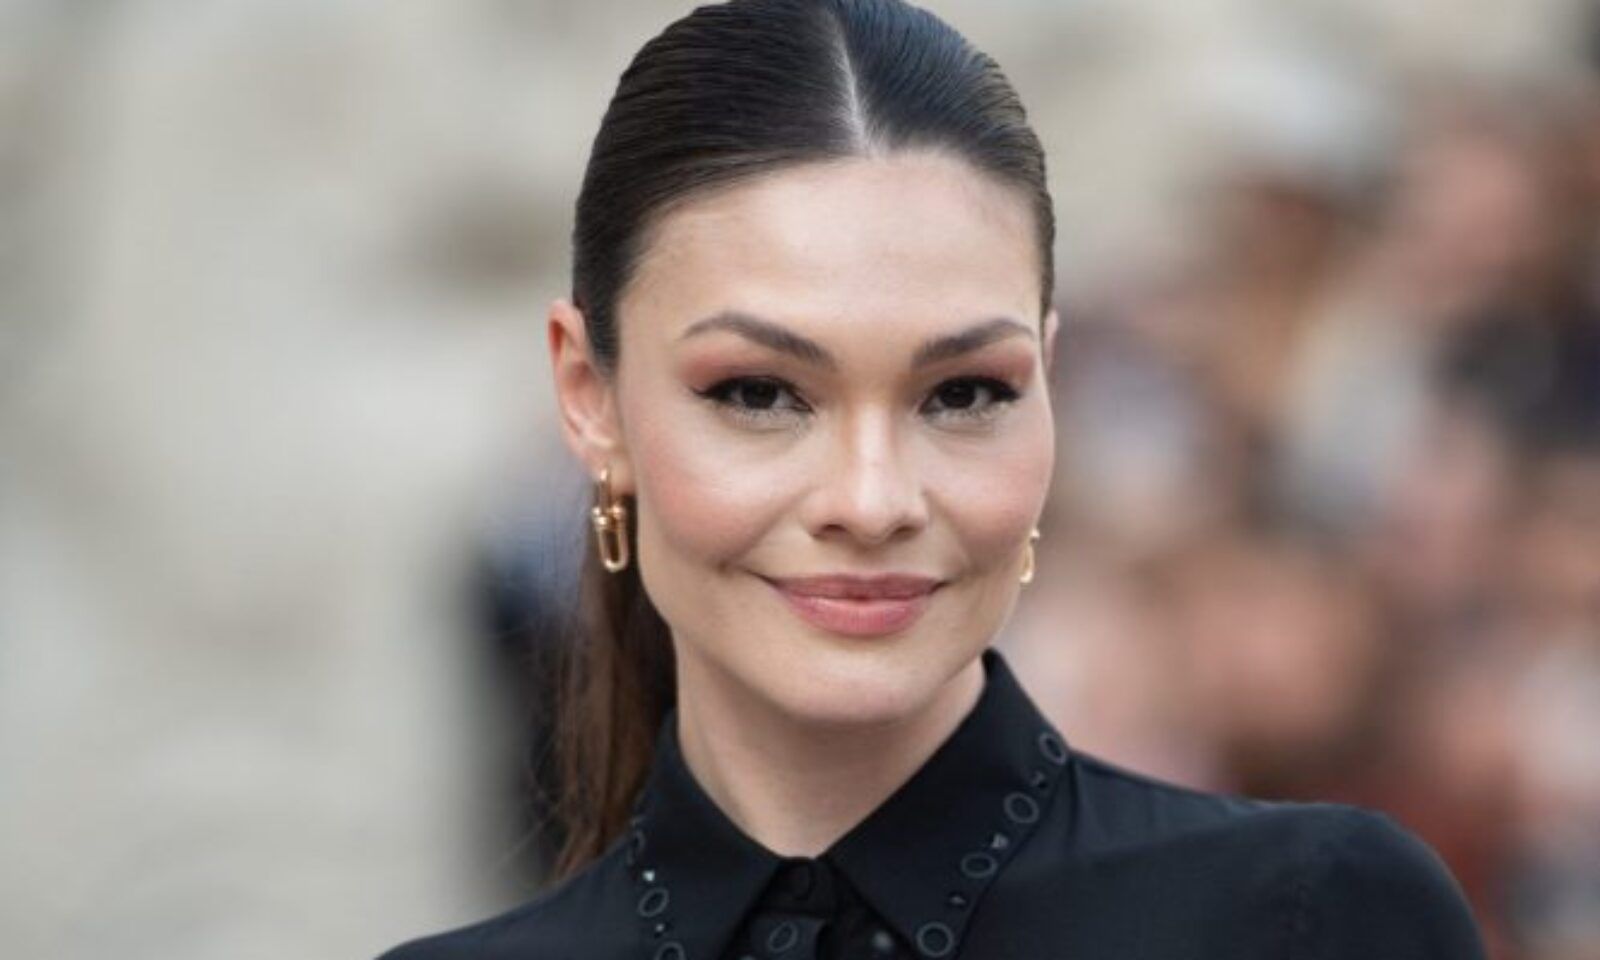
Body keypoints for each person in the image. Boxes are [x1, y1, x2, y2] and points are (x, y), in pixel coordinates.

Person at [379, 0, 1488, 957]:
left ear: (1049, 388)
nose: (872, 501)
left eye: (963, 394)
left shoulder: (1306, 918)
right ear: (590, 400)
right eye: (758, 393)